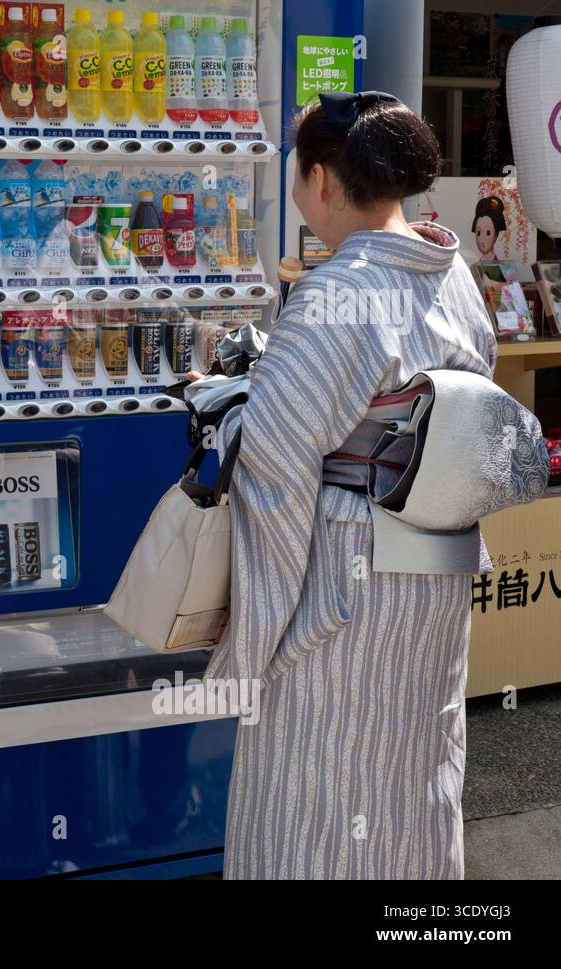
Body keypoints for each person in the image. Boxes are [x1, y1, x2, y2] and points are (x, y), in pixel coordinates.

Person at [203, 91, 497, 879]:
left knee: (318, 795)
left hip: (343, 592)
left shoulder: (335, 294)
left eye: (299, 173)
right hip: (433, 578)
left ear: (323, 181)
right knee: (414, 774)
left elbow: (273, 461)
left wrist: (251, 647)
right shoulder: (453, 273)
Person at [472, 195, 508, 264]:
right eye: (479, 233)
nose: (482, 239)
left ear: (496, 236)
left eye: (488, 233)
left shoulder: (499, 266)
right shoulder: (478, 264)